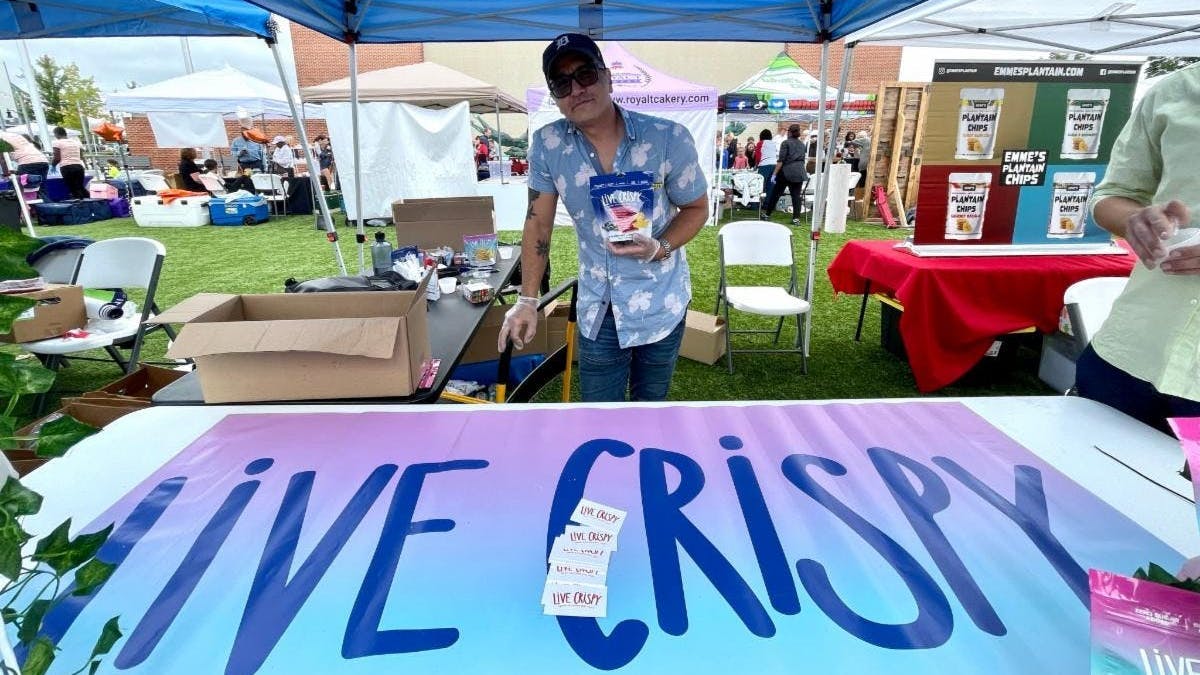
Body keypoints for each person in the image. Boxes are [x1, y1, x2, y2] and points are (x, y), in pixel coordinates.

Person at [498, 33, 708, 402]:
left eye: (585, 75)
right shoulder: (548, 145)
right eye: (562, 83)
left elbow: (696, 208)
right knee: (599, 416)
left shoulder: (668, 138)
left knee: (650, 408)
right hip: (599, 307)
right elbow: (538, 223)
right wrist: (527, 300)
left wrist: (660, 247)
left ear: (607, 77)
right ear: (555, 96)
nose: (576, 88)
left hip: (660, 301)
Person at [1074, 63, 1200, 434]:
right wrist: (1134, 219)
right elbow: (1111, 196)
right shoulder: (1176, 89)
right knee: (1087, 484)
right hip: (1128, 352)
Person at [761, 124, 807, 225]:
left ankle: (767, 214)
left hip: (786, 172)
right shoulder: (802, 144)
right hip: (799, 171)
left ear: (789, 132)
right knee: (796, 196)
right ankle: (796, 219)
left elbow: (781, 161)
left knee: (776, 194)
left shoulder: (785, 143)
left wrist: (774, 174)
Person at [0, 131, 49, 195]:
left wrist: (6, 175)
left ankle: (24, 204)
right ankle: (45, 203)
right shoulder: (13, 135)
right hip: (43, 160)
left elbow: (3, 159)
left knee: (16, 188)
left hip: (27, 162)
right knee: (40, 188)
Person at [51, 127, 87, 200]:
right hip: (79, 166)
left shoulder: (57, 142)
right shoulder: (76, 142)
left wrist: (53, 165)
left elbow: (57, 157)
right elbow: (81, 156)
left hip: (67, 167)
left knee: (73, 188)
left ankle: (80, 207)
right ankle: (90, 204)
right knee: (80, 187)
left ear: (56, 134)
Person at [757, 128, 777, 193]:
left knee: (761, 185)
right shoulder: (774, 143)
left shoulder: (760, 143)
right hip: (774, 165)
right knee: (771, 185)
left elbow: (758, 156)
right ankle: (768, 202)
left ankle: (760, 202)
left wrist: (757, 164)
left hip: (764, 165)